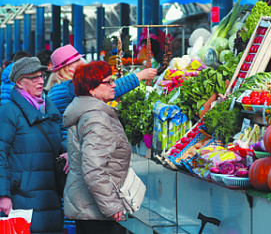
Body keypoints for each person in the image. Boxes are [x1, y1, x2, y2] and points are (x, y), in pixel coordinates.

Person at [63, 61, 131, 234]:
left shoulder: (87, 112)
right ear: (91, 89)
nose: (114, 84)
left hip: (89, 207)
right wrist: (111, 206)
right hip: (97, 211)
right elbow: (93, 168)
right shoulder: (96, 119)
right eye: (108, 82)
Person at [0, 57, 65, 233]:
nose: (41, 81)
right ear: (19, 83)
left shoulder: (48, 107)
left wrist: (65, 151)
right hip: (22, 196)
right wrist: (3, 194)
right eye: (33, 77)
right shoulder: (9, 111)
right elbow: (0, 154)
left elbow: (59, 139)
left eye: (42, 76)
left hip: (50, 192)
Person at [48, 44, 157, 143]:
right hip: (76, 143)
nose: (81, 62)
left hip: (68, 142)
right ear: (66, 68)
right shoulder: (70, 87)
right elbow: (108, 88)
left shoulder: (55, 89)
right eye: (76, 61)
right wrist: (139, 76)